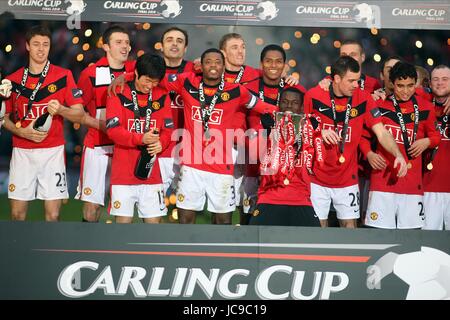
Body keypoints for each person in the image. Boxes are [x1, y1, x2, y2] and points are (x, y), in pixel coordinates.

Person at [163, 48, 277, 225]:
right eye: (208, 62)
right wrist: (129, 76)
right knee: (185, 219)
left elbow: (263, 107)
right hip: (192, 166)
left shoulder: (237, 91)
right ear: (201, 65)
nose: (213, 66)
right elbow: (155, 79)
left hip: (221, 168)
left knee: (224, 221)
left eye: (217, 62)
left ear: (224, 66)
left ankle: (219, 253)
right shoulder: (186, 82)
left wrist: (292, 117)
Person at [304, 56, 407, 228]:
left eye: (358, 80)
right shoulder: (313, 95)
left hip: (347, 179)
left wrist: (398, 154)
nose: (356, 85)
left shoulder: (364, 98)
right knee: (317, 230)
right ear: (336, 79)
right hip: (316, 178)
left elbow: (381, 132)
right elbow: (301, 129)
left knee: (350, 230)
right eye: (351, 81)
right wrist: (319, 132)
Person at [3, 25, 85, 221]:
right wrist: (21, 132)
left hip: (52, 153)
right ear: (28, 46)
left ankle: (51, 252)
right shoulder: (11, 81)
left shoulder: (63, 76)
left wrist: (61, 110)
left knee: (53, 215)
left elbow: (79, 114)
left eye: (45, 45)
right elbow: (2, 117)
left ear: (50, 47)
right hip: (22, 152)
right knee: (16, 214)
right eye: (36, 44)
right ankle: (20, 252)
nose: (41, 49)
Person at [364, 62, 441, 229]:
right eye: (400, 86)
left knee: (412, 239)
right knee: (379, 236)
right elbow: (363, 137)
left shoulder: (425, 107)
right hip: (382, 183)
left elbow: (436, 136)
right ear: (391, 83)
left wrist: (426, 141)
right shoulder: (379, 105)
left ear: (416, 83)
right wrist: (369, 153)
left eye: (410, 85)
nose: (406, 91)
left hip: (412, 185)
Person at [75, 25, 135, 222]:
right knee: (92, 207)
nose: (125, 46)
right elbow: (77, 110)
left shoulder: (136, 70)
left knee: (123, 206)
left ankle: (116, 251)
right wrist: (103, 126)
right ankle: (86, 250)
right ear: (106, 46)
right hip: (97, 147)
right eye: (118, 42)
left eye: (127, 42)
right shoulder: (90, 73)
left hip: (126, 147)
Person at [106, 53, 173, 224]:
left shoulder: (162, 94)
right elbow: (113, 130)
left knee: (153, 232)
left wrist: (161, 143)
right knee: (122, 230)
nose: (151, 86)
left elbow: (168, 129)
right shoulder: (117, 91)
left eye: (155, 82)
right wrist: (141, 138)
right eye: (147, 80)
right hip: (123, 174)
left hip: (151, 173)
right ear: (136, 73)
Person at [243, 44, 307, 223]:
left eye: (279, 62)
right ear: (261, 63)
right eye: (268, 61)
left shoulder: (297, 91)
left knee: (278, 215)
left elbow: (307, 123)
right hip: (251, 163)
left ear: (285, 65)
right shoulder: (248, 88)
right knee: (248, 213)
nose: (273, 65)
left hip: (282, 169)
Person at [249, 86, 321, 226]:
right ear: (278, 104)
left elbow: (317, 162)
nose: (289, 106)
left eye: (294, 103)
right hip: (269, 197)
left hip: (300, 199)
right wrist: (267, 132)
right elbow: (256, 156)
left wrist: (316, 132)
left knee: (313, 242)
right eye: (285, 101)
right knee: (255, 242)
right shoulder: (266, 124)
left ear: (301, 108)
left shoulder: (311, 129)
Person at [158, 27, 195, 197]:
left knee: (185, 202)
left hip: (188, 146)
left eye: (179, 41)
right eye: (169, 40)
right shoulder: (151, 68)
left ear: (186, 48)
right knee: (155, 199)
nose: (174, 44)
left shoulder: (195, 70)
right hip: (159, 144)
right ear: (161, 45)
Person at [422, 65, 450, 230]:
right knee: (428, 244)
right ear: (429, 83)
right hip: (428, 188)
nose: (440, 83)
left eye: (445, 79)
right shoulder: (421, 104)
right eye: (436, 79)